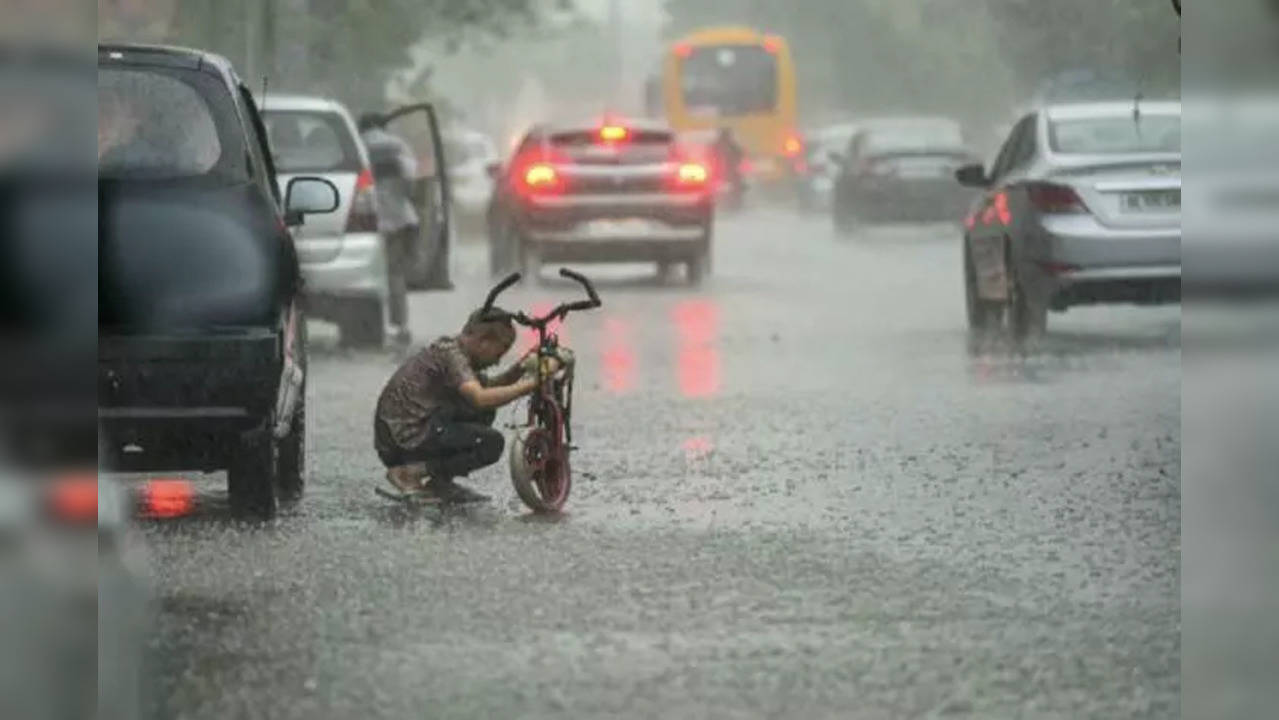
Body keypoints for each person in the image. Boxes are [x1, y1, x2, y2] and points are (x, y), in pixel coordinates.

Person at [373, 307, 559, 503]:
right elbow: (481, 397)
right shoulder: (453, 357)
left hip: (400, 438)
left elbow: (488, 387)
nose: (498, 360)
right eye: (501, 350)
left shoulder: (452, 350)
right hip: (404, 441)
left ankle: (439, 482)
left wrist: (521, 368)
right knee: (491, 443)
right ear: (483, 341)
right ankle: (408, 474)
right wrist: (531, 383)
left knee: (481, 413)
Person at [358, 112, 417, 345]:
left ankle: (368, 327)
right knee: (396, 274)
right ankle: (400, 325)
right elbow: (410, 179)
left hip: (366, 221)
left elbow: (358, 182)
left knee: (365, 277)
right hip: (400, 218)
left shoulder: (357, 144)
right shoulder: (398, 145)